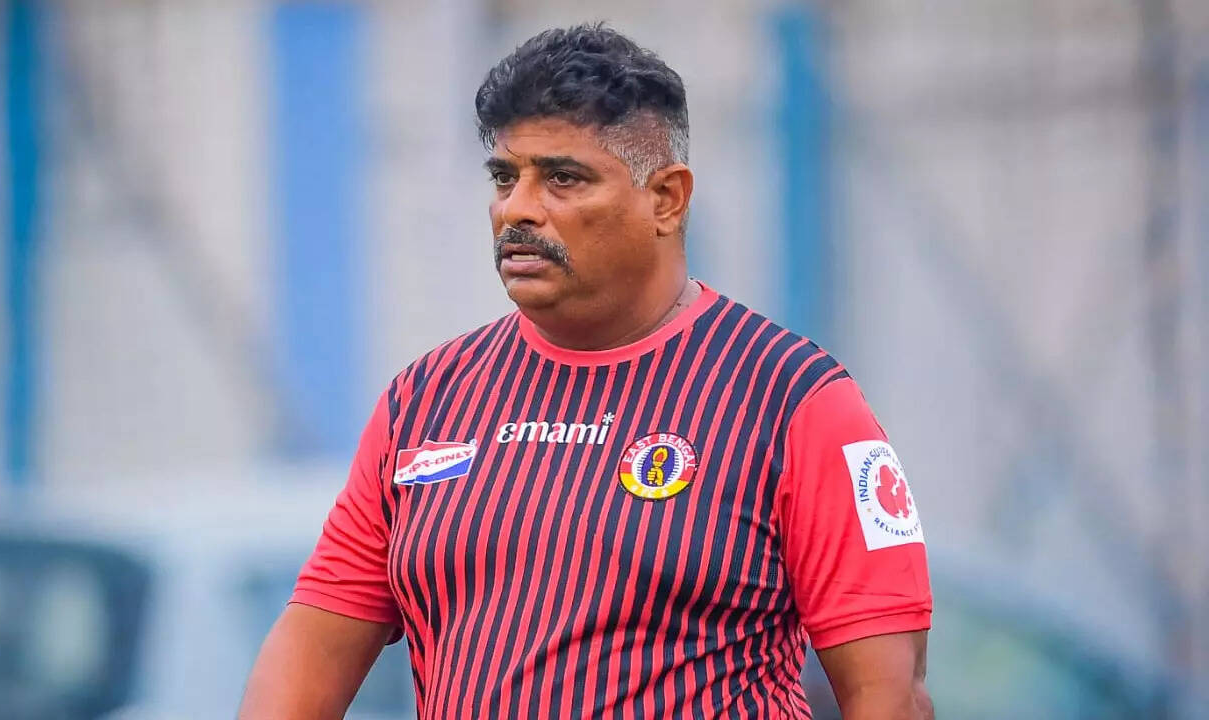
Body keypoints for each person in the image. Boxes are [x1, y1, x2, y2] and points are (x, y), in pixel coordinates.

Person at [240, 24, 932, 720]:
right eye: (505, 177)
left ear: (666, 199)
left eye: (562, 178)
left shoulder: (795, 400)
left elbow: (888, 695)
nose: (517, 209)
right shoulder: (425, 400)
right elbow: (303, 662)